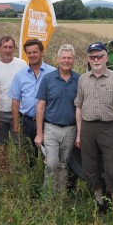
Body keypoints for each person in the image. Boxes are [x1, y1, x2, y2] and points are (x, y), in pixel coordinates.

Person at [74, 42, 113, 212]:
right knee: (90, 167)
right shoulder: (83, 79)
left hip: (109, 128)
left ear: (106, 58)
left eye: (99, 56)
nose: (96, 60)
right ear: (88, 59)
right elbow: (79, 106)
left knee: (112, 168)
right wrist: (79, 133)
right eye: (92, 57)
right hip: (88, 128)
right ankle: (99, 203)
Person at [34, 44, 79, 190]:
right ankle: (48, 196)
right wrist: (39, 134)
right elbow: (40, 106)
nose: (66, 61)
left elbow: (81, 108)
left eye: (69, 58)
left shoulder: (79, 80)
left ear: (73, 60)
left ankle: (59, 196)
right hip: (51, 128)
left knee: (63, 164)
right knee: (51, 163)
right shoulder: (48, 79)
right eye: (64, 58)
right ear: (58, 59)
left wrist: (79, 133)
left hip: (70, 129)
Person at [9, 39, 56, 152]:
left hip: (48, 122)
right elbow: (15, 101)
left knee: (50, 156)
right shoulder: (20, 75)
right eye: (29, 53)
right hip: (27, 122)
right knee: (29, 156)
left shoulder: (53, 73)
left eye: (35, 52)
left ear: (41, 52)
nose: (32, 55)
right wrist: (16, 123)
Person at [0, 35, 26, 146]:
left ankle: (21, 164)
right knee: (1, 145)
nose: (8, 50)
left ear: (14, 49)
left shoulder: (21, 64)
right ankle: (3, 164)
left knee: (21, 144)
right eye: (5, 47)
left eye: (10, 47)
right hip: (0, 113)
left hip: (18, 113)